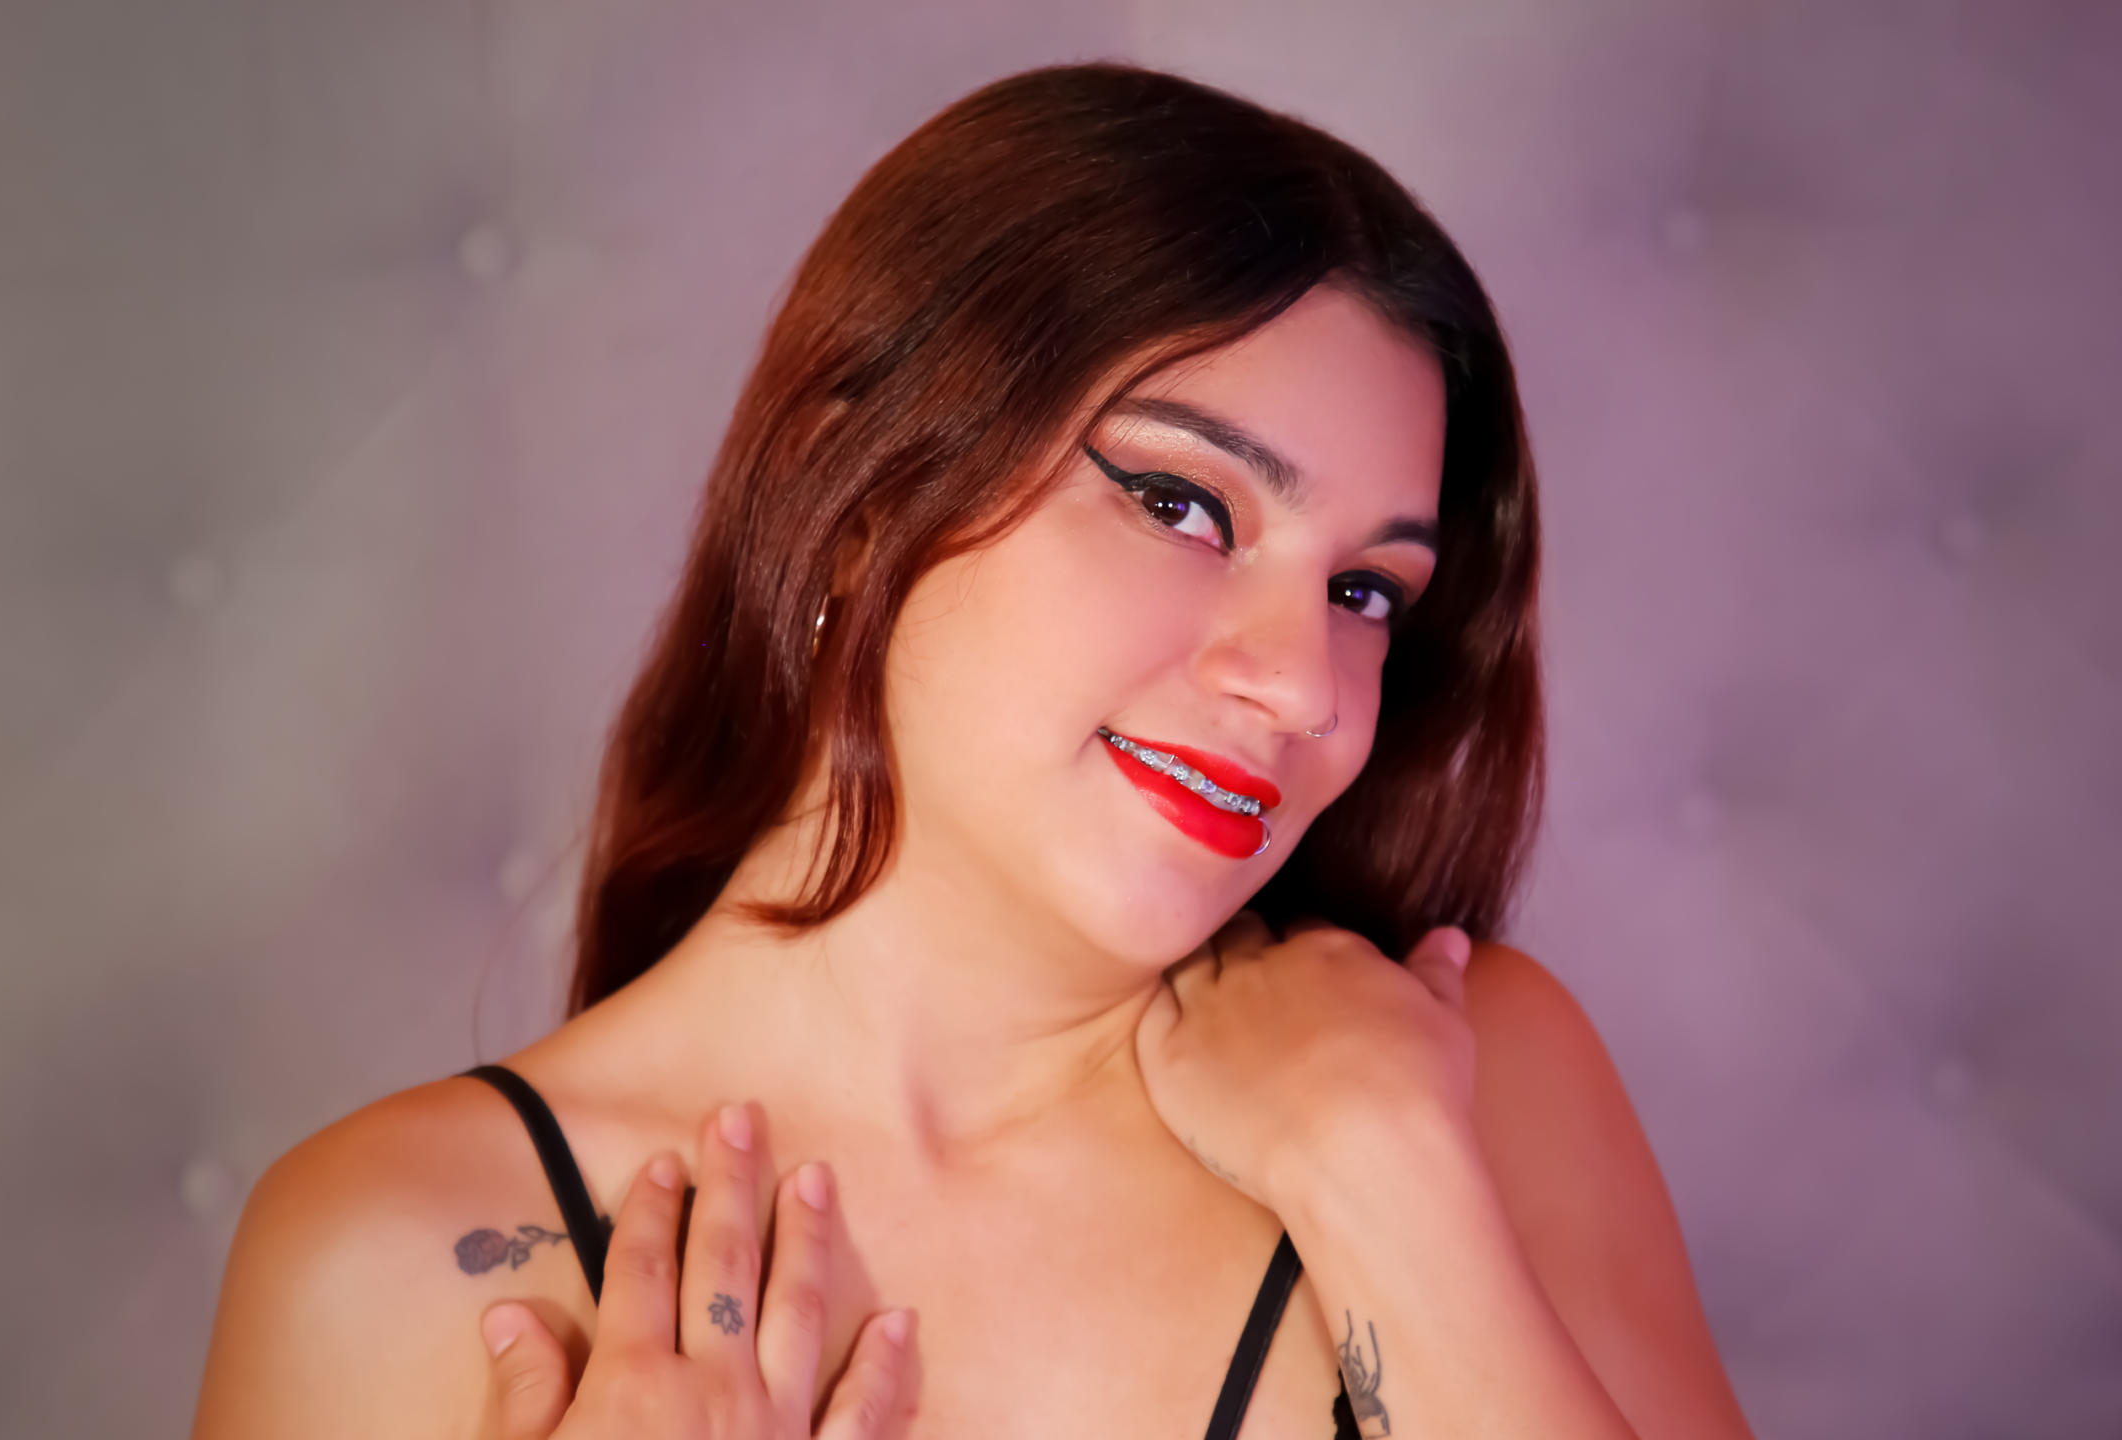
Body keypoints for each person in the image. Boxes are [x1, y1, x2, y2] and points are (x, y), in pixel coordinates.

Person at [191, 61, 1756, 1440]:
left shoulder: (1466, 1086)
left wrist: (1385, 1180)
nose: (1304, 688)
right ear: (857, 495)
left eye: (1365, 594)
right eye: (1183, 504)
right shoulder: (394, 1261)